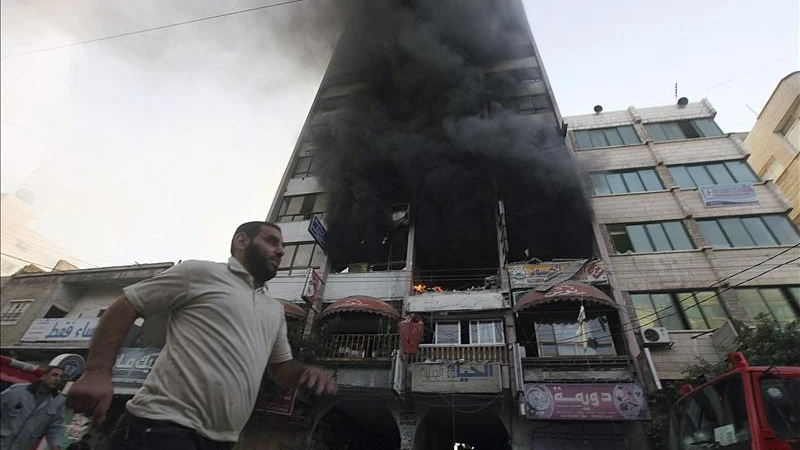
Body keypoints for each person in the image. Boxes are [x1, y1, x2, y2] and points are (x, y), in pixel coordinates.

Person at [67, 221, 336, 450]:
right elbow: (126, 305)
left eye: (282, 247)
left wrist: (305, 373)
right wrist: (96, 373)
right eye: (271, 241)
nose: (280, 251)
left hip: (222, 441)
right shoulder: (200, 273)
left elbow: (280, 368)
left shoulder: (274, 309)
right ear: (241, 241)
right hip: (162, 426)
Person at [0, 365, 66, 450]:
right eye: (54, 375)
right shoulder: (17, 391)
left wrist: (55, 445)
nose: (57, 379)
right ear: (43, 376)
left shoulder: (59, 401)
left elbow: (56, 426)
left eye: (61, 377)